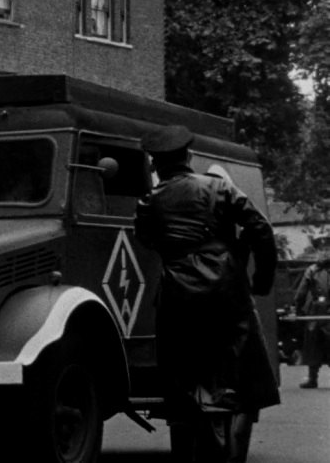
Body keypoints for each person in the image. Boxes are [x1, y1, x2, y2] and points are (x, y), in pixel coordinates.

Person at [134, 125, 280, 463]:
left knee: (184, 381)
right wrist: (261, 279)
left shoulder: (149, 200)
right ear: (188, 156)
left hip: (177, 296)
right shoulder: (218, 188)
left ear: (155, 164)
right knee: (242, 380)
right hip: (227, 292)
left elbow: (147, 239)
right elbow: (260, 229)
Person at [293, 250, 330, 388]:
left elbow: (301, 293)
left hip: (318, 309)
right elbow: (301, 292)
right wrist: (298, 307)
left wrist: (298, 307)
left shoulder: (312, 270)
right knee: (313, 343)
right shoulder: (312, 270)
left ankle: (312, 378)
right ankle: (312, 378)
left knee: (314, 343)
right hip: (318, 310)